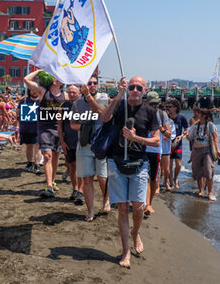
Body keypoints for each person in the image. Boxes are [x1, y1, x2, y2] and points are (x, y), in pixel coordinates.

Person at [101, 76, 160, 268]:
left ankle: (136, 233)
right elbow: (104, 117)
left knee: (138, 207)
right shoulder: (120, 105)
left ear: (144, 90)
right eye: (132, 87)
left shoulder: (150, 111)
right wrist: (118, 94)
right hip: (116, 161)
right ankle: (126, 251)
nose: (134, 90)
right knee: (123, 208)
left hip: (139, 163)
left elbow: (157, 141)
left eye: (138, 87)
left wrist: (136, 138)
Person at [71, 73, 110, 221]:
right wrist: (84, 126)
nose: (92, 85)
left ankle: (106, 200)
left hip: (101, 145)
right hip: (85, 145)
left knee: (102, 177)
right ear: (84, 85)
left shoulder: (104, 98)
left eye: (94, 83)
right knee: (87, 179)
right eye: (89, 83)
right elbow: (72, 124)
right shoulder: (77, 104)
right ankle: (90, 211)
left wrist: (89, 97)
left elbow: (102, 112)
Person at [24, 69, 68, 197]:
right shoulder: (43, 91)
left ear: (61, 82)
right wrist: (38, 71)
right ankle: (49, 187)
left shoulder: (64, 95)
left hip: (58, 129)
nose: (55, 77)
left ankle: (52, 182)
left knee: (55, 156)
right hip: (44, 128)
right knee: (47, 155)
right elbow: (26, 79)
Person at [186, 108, 220, 201]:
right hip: (196, 150)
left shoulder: (211, 125)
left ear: (204, 116)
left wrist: (217, 150)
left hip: (207, 150)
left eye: (199, 113)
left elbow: (215, 138)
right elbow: (189, 138)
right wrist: (186, 134)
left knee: (208, 171)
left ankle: (210, 193)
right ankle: (200, 191)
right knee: (197, 172)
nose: (196, 114)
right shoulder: (194, 126)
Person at [144, 92, 171, 214]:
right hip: (142, 149)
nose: (154, 106)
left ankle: (149, 203)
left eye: (156, 104)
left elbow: (169, 135)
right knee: (144, 178)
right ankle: (145, 203)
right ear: (146, 102)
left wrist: (161, 129)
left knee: (154, 179)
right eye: (152, 104)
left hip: (155, 150)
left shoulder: (162, 114)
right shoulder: (141, 112)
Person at [57, 85, 84, 203]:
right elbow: (59, 125)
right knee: (72, 166)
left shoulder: (84, 105)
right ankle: (75, 189)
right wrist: (62, 141)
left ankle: (81, 191)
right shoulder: (63, 106)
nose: (72, 94)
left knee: (81, 167)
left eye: (74, 92)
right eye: (70, 92)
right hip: (68, 142)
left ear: (79, 93)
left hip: (82, 141)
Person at [17, 89, 42, 173]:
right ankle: (30, 163)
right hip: (26, 127)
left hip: (38, 127)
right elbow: (18, 112)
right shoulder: (24, 100)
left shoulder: (42, 101)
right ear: (29, 91)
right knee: (29, 146)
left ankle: (37, 165)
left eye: (35, 90)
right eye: (32, 90)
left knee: (37, 146)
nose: (34, 92)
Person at [166, 98, 188, 188]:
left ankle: (175, 179)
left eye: (170, 107)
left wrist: (181, 136)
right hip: (168, 144)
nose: (168, 108)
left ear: (175, 108)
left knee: (178, 164)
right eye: (167, 107)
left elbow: (186, 131)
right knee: (170, 165)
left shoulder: (181, 118)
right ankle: (171, 180)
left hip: (178, 144)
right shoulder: (166, 118)